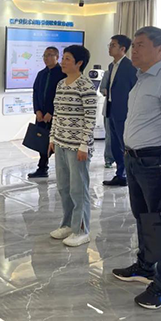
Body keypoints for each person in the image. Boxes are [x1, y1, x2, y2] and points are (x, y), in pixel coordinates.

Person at [112, 27, 161, 310]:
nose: (134, 50)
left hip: (157, 162)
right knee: (143, 218)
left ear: (160, 49)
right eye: (133, 45)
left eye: (140, 45)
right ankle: (145, 266)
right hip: (135, 160)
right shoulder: (142, 78)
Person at [49, 45, 97, 247]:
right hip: (61, 143)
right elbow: (57, 113)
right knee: (64, 187)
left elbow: (90, 118)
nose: (63, 62)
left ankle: (82, 230)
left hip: (78, 147)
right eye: (63, 58)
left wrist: (84, 145)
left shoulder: (86, 86)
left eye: (67, 58)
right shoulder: (61, 84)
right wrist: (52, 138)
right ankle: (68, 224)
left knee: (78, 189)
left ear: (79, 63)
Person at [103, 35, 138, 187]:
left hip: (124, 111)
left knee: (124, 145)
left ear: (123, 48)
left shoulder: (130, 67)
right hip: (111, 109)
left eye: (113, 45)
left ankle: (127, 174)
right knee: (115, 144)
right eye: (110, 45)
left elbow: (134, 90)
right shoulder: (112, 66)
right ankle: (120, 173)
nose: (110, 48)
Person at [28, 47, 67, 179]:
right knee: (42, 141)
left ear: (57, 57)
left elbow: (61, 96)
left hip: (55, 115)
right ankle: (42, 167)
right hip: (41, 115)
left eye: (50, 55)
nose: (46, 58)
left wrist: (51, 112)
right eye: (45, 55)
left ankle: (62, 169)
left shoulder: (62, 74)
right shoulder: (41, 74)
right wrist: (37, 111)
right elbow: (36, 93)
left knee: (56, 142)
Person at [99, 69, 115, 169]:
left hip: (124, 110)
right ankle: (109, 159)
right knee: (109, 136)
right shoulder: (108, 73)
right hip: (109, 109)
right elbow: (102, 89)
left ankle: (121, 161)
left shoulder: (129, 72)